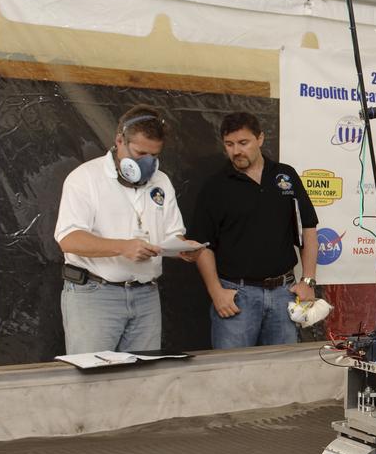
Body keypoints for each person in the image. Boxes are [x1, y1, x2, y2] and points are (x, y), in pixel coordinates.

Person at [54, 105, 201, 354]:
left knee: (142, 380)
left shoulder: (161, 181)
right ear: (119, 140)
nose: (147, 163)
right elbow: (68, 239)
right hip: (95, 295)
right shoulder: (85, 178)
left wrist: (180, 249)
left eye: (154, 156)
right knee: (93, 380)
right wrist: (123, 247)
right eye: (140, 153)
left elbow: (173, 233)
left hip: (146, 295)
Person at [189, 112, 318, 349]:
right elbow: (201, 245)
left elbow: (307, 228)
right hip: (237, 295)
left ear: (260, 139)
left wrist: (307, 280)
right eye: (229, 144)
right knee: (232, 371)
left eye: (243, 143)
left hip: (283, 293)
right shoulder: (215, 187)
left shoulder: (285, 176)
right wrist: (216, 292)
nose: (236, 150)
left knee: (282, 371)